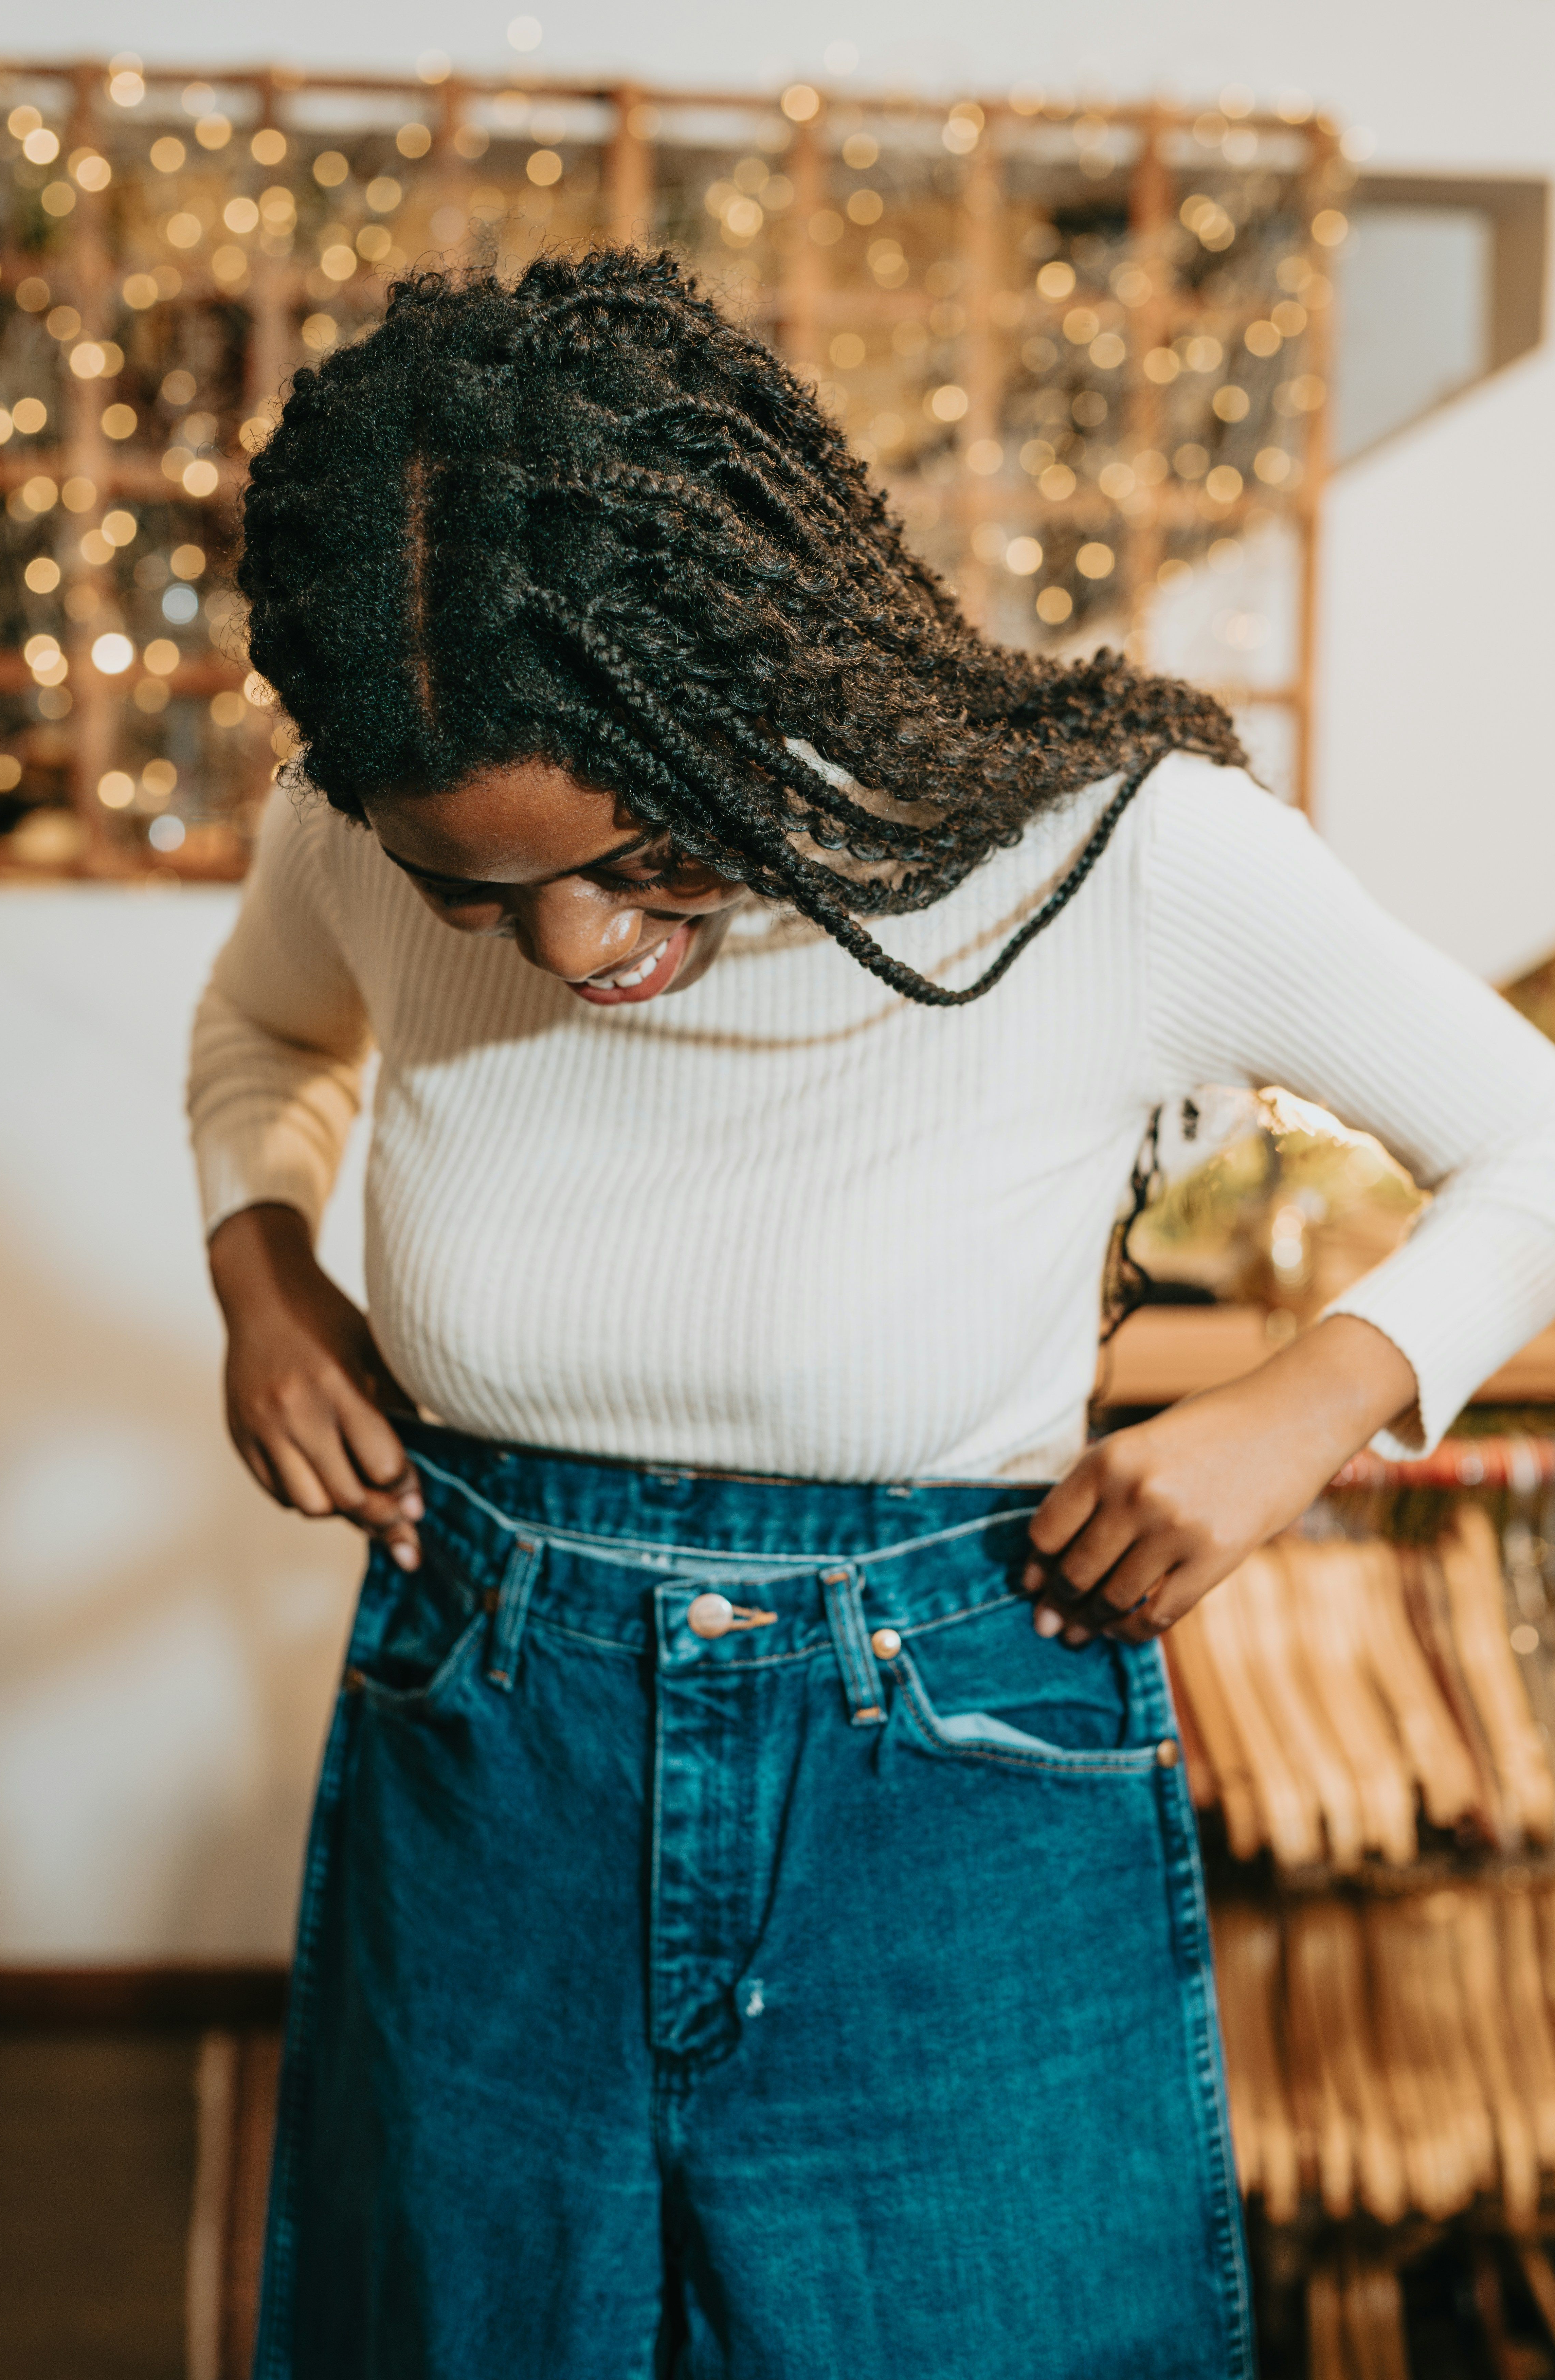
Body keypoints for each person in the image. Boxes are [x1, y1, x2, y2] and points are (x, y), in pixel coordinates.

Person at [191, 247, 1555, 2380]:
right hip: (485, 1735)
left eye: (642, 852)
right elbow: (266, 1042)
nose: (565, 946)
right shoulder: (366, 807)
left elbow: (1535, 1147)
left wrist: (1312, 1402)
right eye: (478, 895)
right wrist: (262, 1267)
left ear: (743, 665)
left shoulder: (1117, 859)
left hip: (951, 1759)